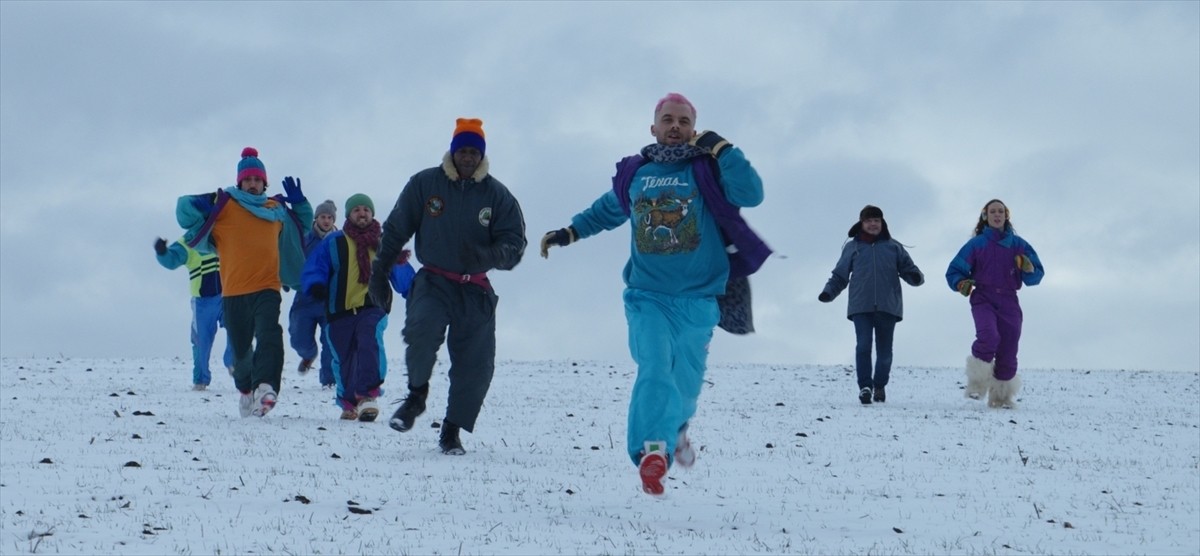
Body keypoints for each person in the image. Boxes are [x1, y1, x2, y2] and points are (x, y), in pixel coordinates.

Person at [540, 93, 767, 495]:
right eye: (668, 119)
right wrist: (570, 232)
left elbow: (751, 193)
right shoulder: (637, 173)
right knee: (655, 369)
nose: (675, 126)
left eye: (683, 121)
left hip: (699, 299)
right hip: (648, 296)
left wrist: (724, 149)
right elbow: (607, 209)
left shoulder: (708, 170)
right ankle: (652, 452)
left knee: (686, 382)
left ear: (694, 130)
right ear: (654, 127)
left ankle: (675, 430)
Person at [369, 117, 527, 455]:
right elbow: (397, 227)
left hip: (476, 288)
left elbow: (515, 244)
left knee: (476, 364)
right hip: (434, 280)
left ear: (481, 155)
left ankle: (451, 430)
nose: (467, 157)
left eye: (474, 151)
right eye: (462, 151)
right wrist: (379, 270)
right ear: (453, 152)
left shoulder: (497, 195)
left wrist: (489, 253)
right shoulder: (426, 184)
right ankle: (415, 397)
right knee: (420, 332)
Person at [176, 147, 313, 417]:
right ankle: (247, 390)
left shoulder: (275, 209)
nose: (253, 184)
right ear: (240, 182)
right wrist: (202, 202)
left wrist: (300, 203)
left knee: (269, 335)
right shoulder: (225, 206)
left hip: (267, 287)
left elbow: (303, 225)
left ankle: (266, 387)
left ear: (265, 183)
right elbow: (183, 211)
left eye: (257, 179)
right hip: (234, 291)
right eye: (248, 179)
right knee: (240, 352)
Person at [301, 193, 416, 421]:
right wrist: (315, 284)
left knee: (369, 340)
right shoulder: (334, 242)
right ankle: (348, 402)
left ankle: (367, 395)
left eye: (366, 209)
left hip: (373, 306)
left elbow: (401, 272)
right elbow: (317, 265)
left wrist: (414, 292)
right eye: (356, 210)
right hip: (339, 310)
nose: (362, 213)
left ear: (372, 214)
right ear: (348, 215)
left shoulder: (384, 243)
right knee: (343, 358)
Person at [818, 205, 924, 405]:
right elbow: (840, 275)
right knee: (863, 345)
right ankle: (865, 387)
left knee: (884, 352)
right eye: (868, 221)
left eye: (877, 220)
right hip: (861, 306)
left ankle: (880, 385)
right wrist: (828, 292)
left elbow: (909, 269)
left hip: (888, 306)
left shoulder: (894, 247)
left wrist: (915, 277)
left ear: (882, 223)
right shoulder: (852, 247)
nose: (873, 224)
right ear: (861, 223)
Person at [945, 198, 1044, 409]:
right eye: (993, 212)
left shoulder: (1019, 245)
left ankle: (1001, 397)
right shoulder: (976, 244)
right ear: (985, 217)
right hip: (983, 298)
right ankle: (976, 385)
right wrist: (960, 283)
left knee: (1009, 344)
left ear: (1006, 216)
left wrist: (1028, 268)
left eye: (1001, 212)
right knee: (989, 336)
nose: (997, 215)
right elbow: (954, 271)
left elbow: (1036, 276)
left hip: (1009, 299)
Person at [153, 237, 235, 390]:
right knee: (201, 341)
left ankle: (234, 364)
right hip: (202, 302)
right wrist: (162, 252)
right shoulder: (190, 240)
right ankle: (200, 380)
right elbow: (173, 258)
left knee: (238, 329)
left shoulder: (225, 232)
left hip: (229, 295)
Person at [291, 199, 338, 387]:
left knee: (331, 342)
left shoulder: (341, 240)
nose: (326, 221)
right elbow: (291, 259)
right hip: (305, 298)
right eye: (322, 217)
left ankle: (329, 382)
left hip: (331, 300)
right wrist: (287, 278)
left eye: (329, 217)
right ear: (316, 218)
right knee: (298, 338)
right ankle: (308, 354)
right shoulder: (304, 238)